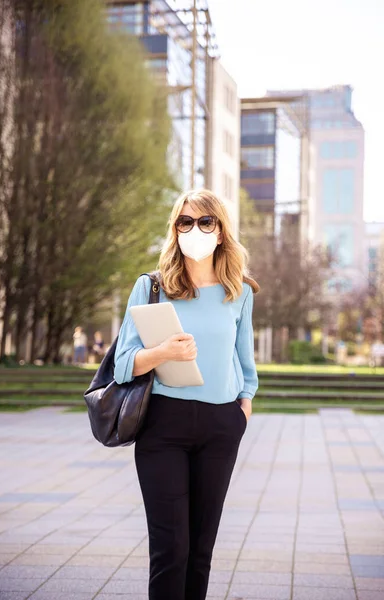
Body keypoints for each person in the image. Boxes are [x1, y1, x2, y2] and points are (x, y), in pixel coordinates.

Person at [114, 189, 259, 600]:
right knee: (170, 549)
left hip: (220, 427)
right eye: (185, 222)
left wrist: (242, 410)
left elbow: (245, 363)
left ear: (221, 230)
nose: (194, 230)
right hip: (163, 426)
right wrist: (163, 352)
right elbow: (124, 362)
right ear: (174, 229)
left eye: (204, 221)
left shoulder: (239, 291)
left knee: (200, 551)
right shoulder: (152, 287)